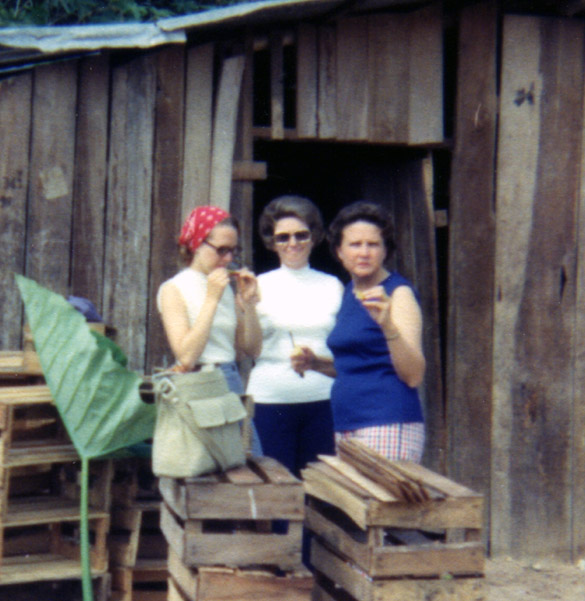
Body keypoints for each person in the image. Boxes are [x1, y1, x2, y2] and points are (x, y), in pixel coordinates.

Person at [290, 201, 426, 462]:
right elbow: (359, 365)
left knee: (381, 503)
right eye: (355, 244)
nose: (364, 252)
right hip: (347, 423)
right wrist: (316, 363)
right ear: (339, 251)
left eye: (373, 244)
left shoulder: (399, 294)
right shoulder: (351, 294)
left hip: (386, 422)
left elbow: (413, 375)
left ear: (385, 250)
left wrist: (387, 325)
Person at [246, 195, 344, 477]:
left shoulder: (332, 285)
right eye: (283, 237)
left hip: (323, 402)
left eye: (301, 235)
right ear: (271, 241)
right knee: (277, 492)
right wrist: (248, 305)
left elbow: (342, 347)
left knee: (320, 492)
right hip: (270, 402)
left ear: (314, 237)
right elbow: (249, 349)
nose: (293, 243)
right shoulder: (258, 285)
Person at [157, 205, 262, 454]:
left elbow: (250, 349)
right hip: (199, 383)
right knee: (207, 472)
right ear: (196, 244)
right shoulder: (174, 288)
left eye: (233, 251)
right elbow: (186, 356)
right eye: (221, 250)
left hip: (230, 379)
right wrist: (211, 299)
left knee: (250, 458)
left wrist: (249, 304)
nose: (228, 259)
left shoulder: (225, 286)